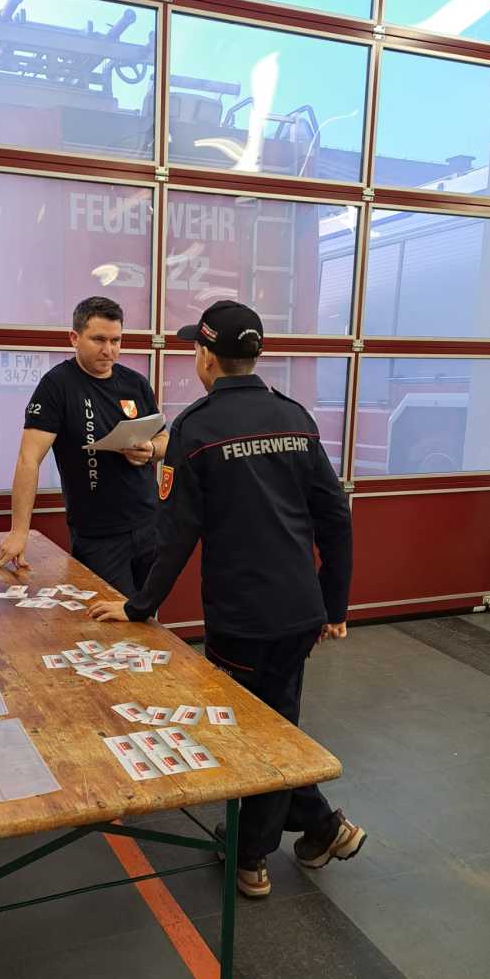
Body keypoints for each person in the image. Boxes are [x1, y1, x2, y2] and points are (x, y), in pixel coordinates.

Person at [89, 300, 364, 898]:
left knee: (255, 733)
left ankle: (250, 856)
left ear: (207, 357)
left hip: (241, 618)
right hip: (299, 610)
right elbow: (335, 518)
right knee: (278, 720)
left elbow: (175, 535)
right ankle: (322, 827)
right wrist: (335, 604)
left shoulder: (196, 428)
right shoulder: (295, 417)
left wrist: (138, 606)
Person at [0, 297, 168, 596]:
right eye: (98, 339)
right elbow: (28, 459)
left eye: (115, 340)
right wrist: (19, 531)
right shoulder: (56, 385)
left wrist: (151, 449)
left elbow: (163, 439)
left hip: (150, 524)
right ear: (74, 338)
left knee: (146, 614)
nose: (109, 350)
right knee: (109, 616)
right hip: (99, 536)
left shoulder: (135, 383)